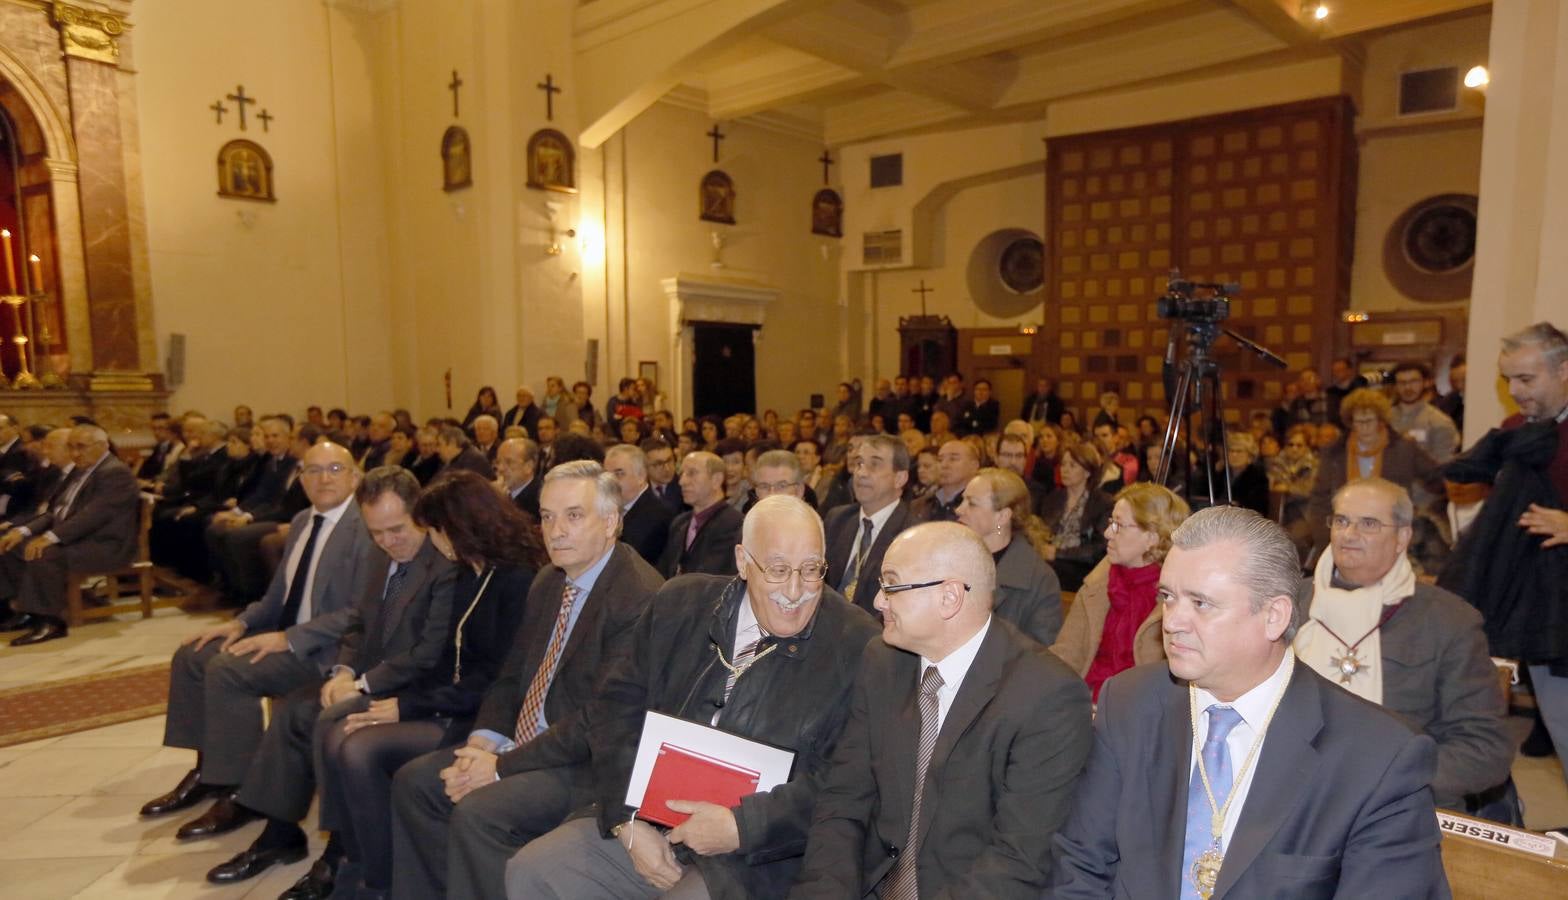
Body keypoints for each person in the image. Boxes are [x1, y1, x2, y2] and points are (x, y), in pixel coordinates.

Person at [1050, 505, 1448, 898]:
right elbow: (1082, 866)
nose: (1171, 620)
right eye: (1168, 596)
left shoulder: (1377, 758)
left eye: (1200, 603)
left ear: (1274, 616)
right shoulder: (1130, 703)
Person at [502, 495, 880, 899]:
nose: (795, 589)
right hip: (646, 817)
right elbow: (615, 712)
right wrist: (627, 822)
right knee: (535, 869)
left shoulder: (856, 643)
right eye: (777, 569)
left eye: (811, 570)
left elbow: (847, 777)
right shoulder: (678, 604)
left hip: (757, 853)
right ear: (742, 561)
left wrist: (743, 826)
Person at [390, 461, 664, 900]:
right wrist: (483, 741)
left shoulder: (639, 597)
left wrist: (499, 768)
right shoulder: (550, 580)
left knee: (480, 812)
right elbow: (513, 674)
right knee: (417, 784)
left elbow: (598, 722)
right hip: (526, 742)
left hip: (588, 764)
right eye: (547, 516)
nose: (555, 531)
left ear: (611, 522)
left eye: (574, 516)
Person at [793, 522, 1090, 897]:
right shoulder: (883, 661)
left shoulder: (1047, 696)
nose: (878, 601)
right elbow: (843, 800)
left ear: (949, 597)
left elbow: (1017, 861)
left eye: (891, 585)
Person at [204, 466, 459, 886]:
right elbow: (359, 623)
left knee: (327, 721)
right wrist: (342, 669)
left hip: (415, 689)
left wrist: (359, 685)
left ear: (421, 514)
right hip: (371, 676)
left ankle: (341, 851)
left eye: (396, 529)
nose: (387, 541)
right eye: (376, 532)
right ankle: (280, 833)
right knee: (297, 711)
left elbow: (427, 654)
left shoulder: (445, 562)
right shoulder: (381, 556)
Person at [310, 471, 545, 900]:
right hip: (449, 702)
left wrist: (410, 706)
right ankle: (366, 866)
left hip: (483, 715)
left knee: (361, 748)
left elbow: (499, 677)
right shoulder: (468, 572)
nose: (432, 541)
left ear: (457, 527)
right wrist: (406, 701)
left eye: (434, 530)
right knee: (347, 734)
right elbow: (443, 659)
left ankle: (378, 882)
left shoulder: (518, 580)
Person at [139, 443, 377, 839]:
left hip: (326, 649)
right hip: (285, 634)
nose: (325, 478)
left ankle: (240, 791)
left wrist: (290, 638)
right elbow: (277, 596)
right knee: (193, 654)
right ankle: (209, 770)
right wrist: (241, 623)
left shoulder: (364, 528)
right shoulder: (303, 520)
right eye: (314, 470)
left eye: (336, 468)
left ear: (354, 477)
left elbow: (361, 612)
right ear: (301, 480)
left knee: (229, 671)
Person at [1296, 479, 1513, 818]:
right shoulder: (1289, 603)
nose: (1349, 534)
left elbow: (1485, 749)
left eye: (1368, 523)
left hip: (1400, 805)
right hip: (1294, 793)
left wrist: (1393, 780)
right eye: (1341, 520)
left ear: (1402, 537)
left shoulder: (1449, 620)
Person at [1440, 322, 1568, 781]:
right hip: (1543, 614)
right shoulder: (1517, 430)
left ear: (1564, 370)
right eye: (1508, 379)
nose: (1514, 391)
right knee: (1562, 726)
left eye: (1526, 380)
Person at [0, 424, 140, 645]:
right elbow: (55, 511)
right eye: (72, 447)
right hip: (79, 539)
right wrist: (22, 530)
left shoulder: (114, 472)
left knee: (45, 554)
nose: (75, 453)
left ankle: (51, 622)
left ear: (102, 446)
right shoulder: (80, 470)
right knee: (11, 545)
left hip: (106, 544)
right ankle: (22, 609)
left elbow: (93, 516)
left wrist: (50, 537)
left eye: (81, 447)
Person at [1051, 483, 1189, 701]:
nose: (1107, 533)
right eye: (1110, 523)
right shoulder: (1097, 585)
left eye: (1119, 525)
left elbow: (1173, 692)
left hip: (1140, 715)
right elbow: (1065, 657)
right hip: (1083, 703)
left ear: (1152, 537)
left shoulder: (1177, 602)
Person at [1306, 387, 1439, 560]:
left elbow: (1436, 477)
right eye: (1358, 422)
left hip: (1390, 535)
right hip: (1345, 536)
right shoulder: (1335, 452)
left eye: (1369, 421)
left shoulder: (1404, 449)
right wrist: (1326, 538)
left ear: (1381, 421)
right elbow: (1319, 498)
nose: (1364, 428)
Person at [956, 468, 1064, 646]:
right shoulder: (947, 559)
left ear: (1002, 516)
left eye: (971, 503)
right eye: (962, 500)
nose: (959, 509)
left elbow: (1039, 654)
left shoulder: (1039, 579)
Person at [824, 434, 919, 614]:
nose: (861, 473)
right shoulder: (837, 519)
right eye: (859, 463)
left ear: (900, 478)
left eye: (874, 464)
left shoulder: (912, 534)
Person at [1038, 442, 1113, 591]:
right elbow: (1041, 532)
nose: (1064, 470)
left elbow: (1100, 549)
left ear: (1087, 472)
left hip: (1080, 569)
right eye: (1063, 464)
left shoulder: (1102, 503)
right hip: (1048, 564)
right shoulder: (1052, 498)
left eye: (1072, 465)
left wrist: (1058, 553)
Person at [657, 450, 743, 577]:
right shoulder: (680, 522)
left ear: (716, 480)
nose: (682, 481)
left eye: (692, 473)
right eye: (682, 474)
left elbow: (712, 577)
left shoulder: (735, 524)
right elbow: (663, 570)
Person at [606, 442, 674, 565]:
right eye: (607, 475)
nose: (610, 482)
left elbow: (628, 561)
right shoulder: (607, 509)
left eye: (619, 474)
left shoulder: (659, 515)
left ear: (641, 476)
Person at [1390, 362, 1460, 464]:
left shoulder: (1439, 421)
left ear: (1426, 382)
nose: (1407, 387)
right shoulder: (1383, 419)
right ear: (1395, 386)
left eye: (1414, 381)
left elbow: (1442, 465)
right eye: (1402, 382)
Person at [912, 439, 978, 523]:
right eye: (940, 460)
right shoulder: (918, 506)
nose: (944, 465)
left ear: (974, 465)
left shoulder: (980, 506)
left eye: (953, 459)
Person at [494, 436, 541, 521]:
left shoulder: (539, 498)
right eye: (498, 462)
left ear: (529, 466)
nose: (500, 468)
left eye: (509, 462)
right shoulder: (499, 491)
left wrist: (498, 501)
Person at [1325, 357, 1369, 425]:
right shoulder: (1331, 392)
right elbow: (1331, 414)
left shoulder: (1359, 390)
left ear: (1349, 371)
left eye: (1340, 370)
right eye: (1334, 370)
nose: (1336, 373)